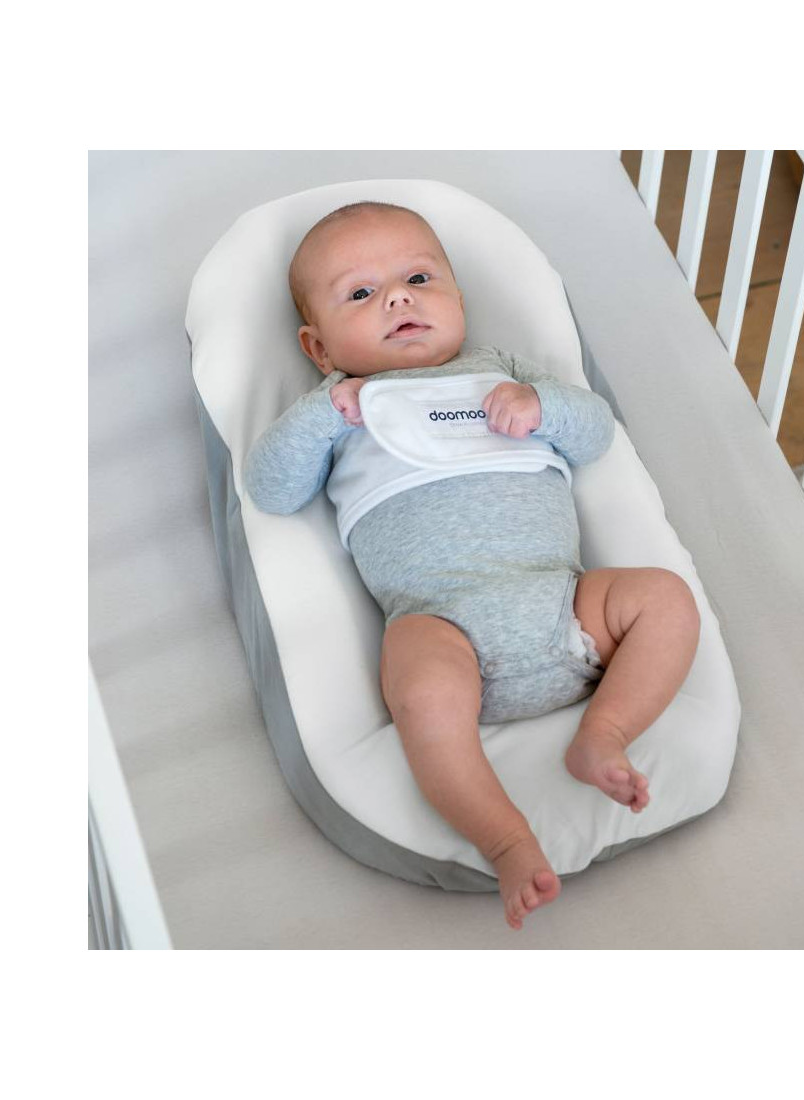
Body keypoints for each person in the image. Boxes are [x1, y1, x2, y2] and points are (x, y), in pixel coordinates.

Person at [245, 202, 701, 930]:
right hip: (441, 626)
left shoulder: (501, 371)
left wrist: (541, 406)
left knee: (665, 599)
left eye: (418, 279)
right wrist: (326, 413)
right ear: (320, 347)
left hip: (566, 606)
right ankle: (506, 839)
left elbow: (595, 434)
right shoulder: (339, 408)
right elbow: (272, 489)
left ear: (458, 297)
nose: (398, 300)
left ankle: (604, 733)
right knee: (420, 687)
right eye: (360, 293)